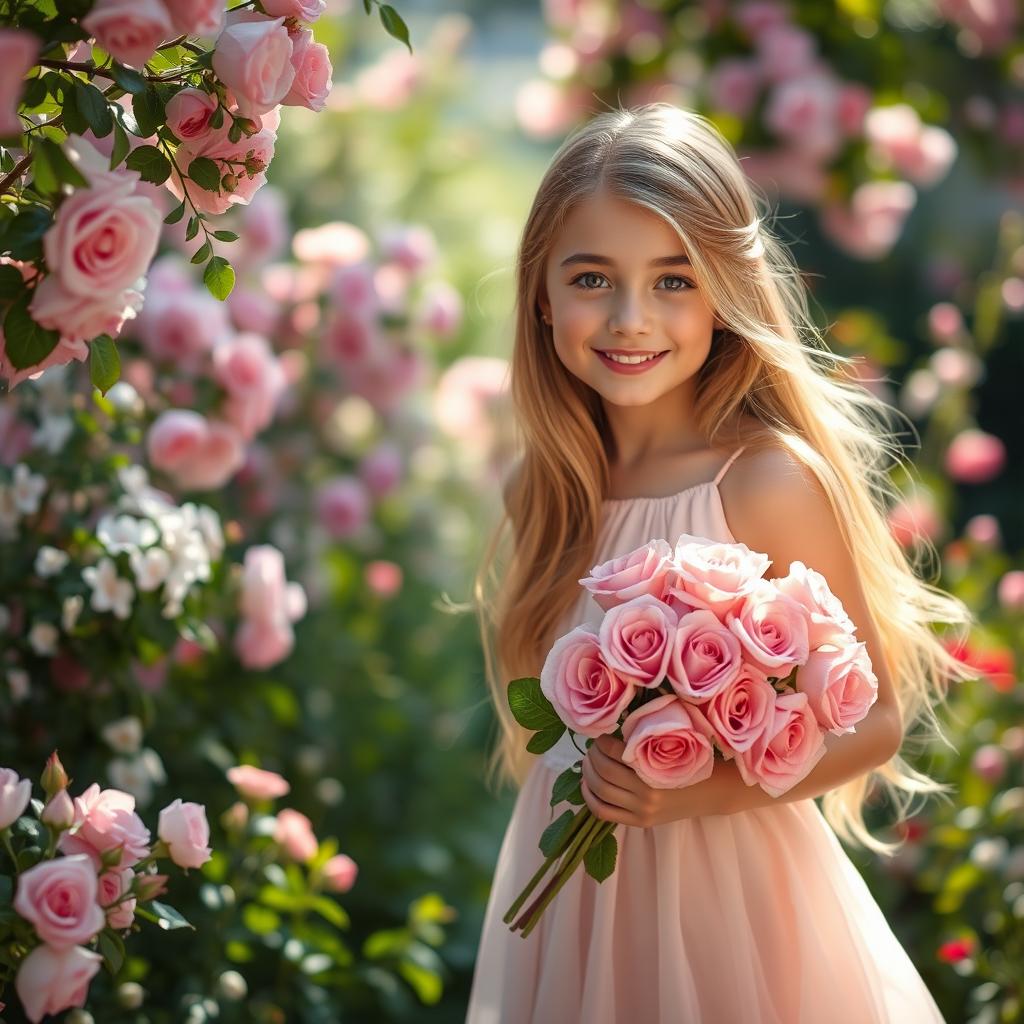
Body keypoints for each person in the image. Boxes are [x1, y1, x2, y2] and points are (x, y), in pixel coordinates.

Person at [465, 104, 977, 1023]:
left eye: (673, 280)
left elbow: (875, 723)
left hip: (736, 906)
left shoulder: (767, 481)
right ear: (541, 294)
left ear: (722, 291)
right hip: (578, 912)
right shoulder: (538, 492)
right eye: (592, 278)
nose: (630, 319)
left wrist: (704, 789)